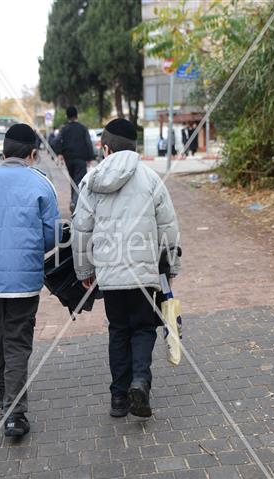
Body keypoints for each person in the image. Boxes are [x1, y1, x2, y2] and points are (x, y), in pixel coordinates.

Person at [72, 119, 180, 419]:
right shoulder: (150, 179)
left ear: (105, 147)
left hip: (109, 275)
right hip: (144, 273)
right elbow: (168, 227)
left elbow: (81, 231)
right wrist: (171, 265)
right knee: (144, 328)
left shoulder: (91, 182)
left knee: (118, 331)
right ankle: (141, 382)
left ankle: (119, 399)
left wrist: (84, 271)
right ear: (134, 147)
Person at [0, 124, 61, 437]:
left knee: (1, 330)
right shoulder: (41, 183)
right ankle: (15, 413)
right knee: (18, 340)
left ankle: (1, 387)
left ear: (3, 152)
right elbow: (53, 234)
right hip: (24, 277)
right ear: (33, 153)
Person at [53, 106, 95, 213]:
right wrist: (90, 157)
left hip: (68, 159)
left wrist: (59, 153)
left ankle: (73, 201)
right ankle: (76, 203)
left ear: (67, 116)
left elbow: (56, 141)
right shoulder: (82, 128)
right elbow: (88, 143)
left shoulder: (64, 129)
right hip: (81, 159)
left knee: (72, 181)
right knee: (79, 181)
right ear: (77, 115)